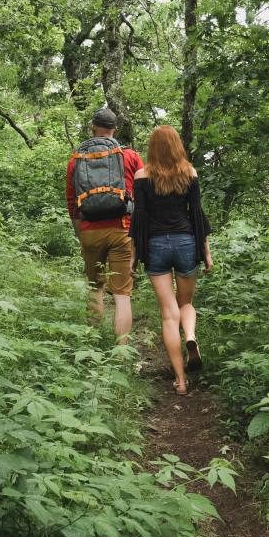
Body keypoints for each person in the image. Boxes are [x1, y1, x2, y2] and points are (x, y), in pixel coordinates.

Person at [131, 125, 212, 395]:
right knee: (186, 303)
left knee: (168, 314)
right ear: (177, 145)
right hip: (186, 241)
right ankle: (190, 336)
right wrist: (207, 253)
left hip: (155, 245)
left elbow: (138, 220)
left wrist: (133, 258)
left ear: (152, 148)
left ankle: (180, 380)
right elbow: (197, 215)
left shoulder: (141, 176)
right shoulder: (190, 173)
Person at [66, 107, 144, 344]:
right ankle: (122, 353)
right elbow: (144, 195)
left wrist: (82, 235)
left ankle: (92, 344)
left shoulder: (76, 158)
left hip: (90, 230)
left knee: (94, 287)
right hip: (122, 228)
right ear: (115, 129)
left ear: (92, 128)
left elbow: (72, 202)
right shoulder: (130, 156)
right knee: (122, 295)